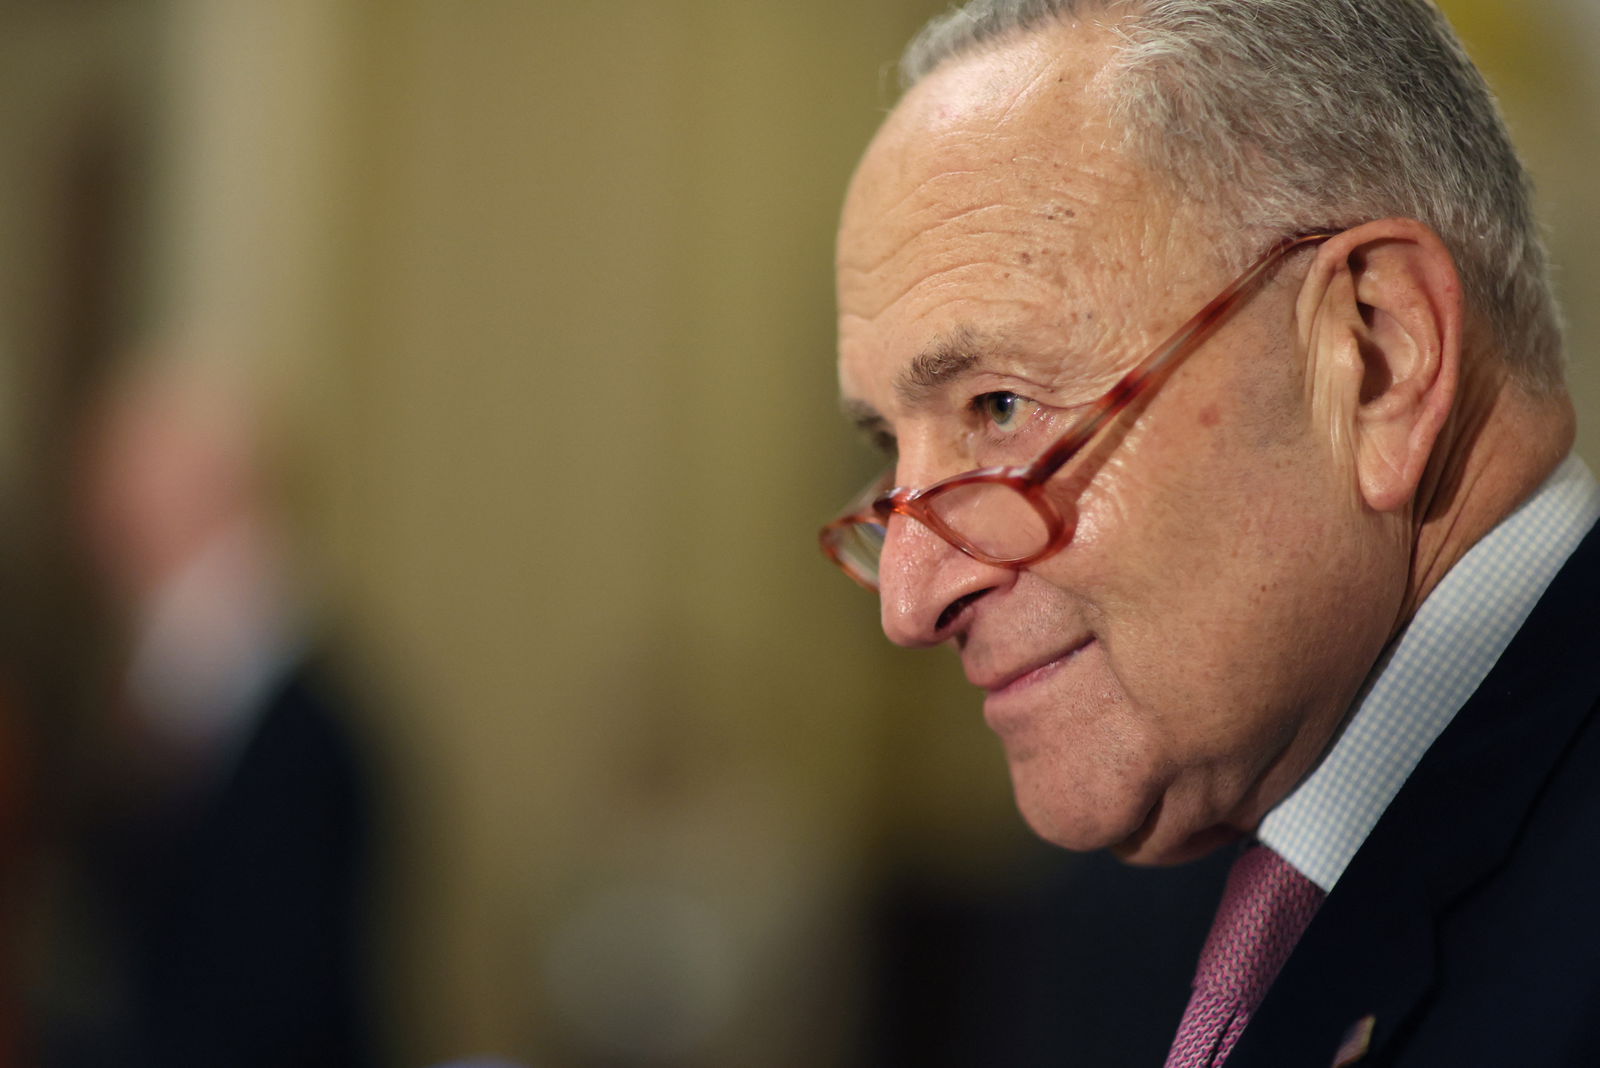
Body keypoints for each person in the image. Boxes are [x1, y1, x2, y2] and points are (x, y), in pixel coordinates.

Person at [819, 1, 1600, 1065]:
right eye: (889, 460)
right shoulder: (1130, 916)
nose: (910, 601)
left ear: (1374, 358)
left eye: (999, 409)